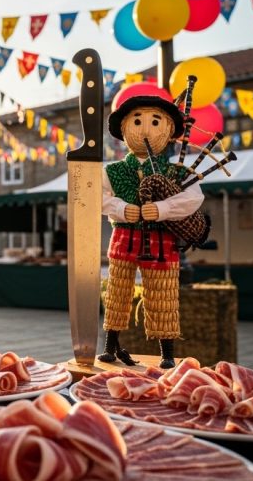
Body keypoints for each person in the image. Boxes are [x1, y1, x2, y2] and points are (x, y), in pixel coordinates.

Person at [98, 95, 205, 369]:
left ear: (169, 131)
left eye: (155, 122)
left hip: (161, 239)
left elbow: (194, 198)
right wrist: (121, 208)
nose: (145, 129)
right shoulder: (112, 171)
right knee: (117, 293)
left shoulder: (176, 171)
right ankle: (110, 347)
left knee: (163, 297)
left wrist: (162, 208)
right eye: (137, 121)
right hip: (124, 237)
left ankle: (166, 352)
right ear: (124, 129)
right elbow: (94, 196)